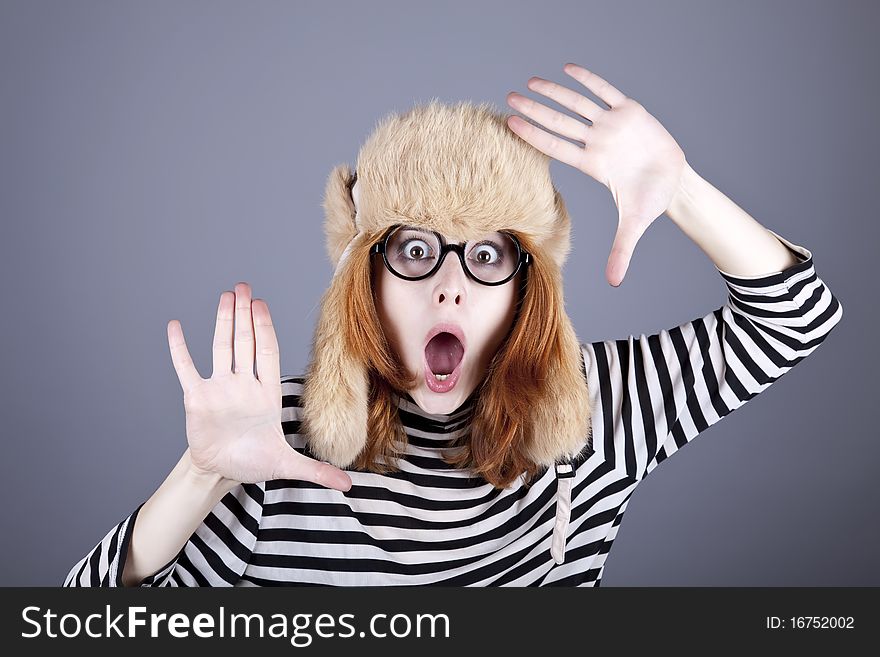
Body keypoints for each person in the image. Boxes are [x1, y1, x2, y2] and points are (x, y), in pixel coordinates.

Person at [64, 63, 843, 587]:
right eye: (412, 249)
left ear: (526, 287)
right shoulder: (272, 438)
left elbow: (796, 319)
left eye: (488, 254)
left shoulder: (593, 415)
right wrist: (200, 476)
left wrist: (682, 189)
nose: (450, 287)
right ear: (363, 276)